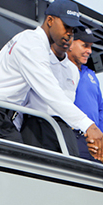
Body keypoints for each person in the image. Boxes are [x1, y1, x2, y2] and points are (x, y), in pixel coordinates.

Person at [0, 0, 103, 153]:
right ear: (50, 20)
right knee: (21, 166)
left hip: (1, 114)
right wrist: (88, 125)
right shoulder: (33, 46)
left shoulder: (31, 40)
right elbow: (50, 91)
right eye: (66, 26)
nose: (69, 33)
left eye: (73, 30)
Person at [18, 27, 84, 156]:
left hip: (63, 126)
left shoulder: (73, 70)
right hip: (36, 123)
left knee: (71, 169)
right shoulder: (40, 58)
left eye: (71, 36)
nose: (67, 40)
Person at [67, 27, 103, 161]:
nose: (89, 51)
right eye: (85, 46)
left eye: (91, 47)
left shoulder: (91, 74)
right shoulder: (61, 69)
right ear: (70, 44)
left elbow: (100, 108)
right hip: (72, 136)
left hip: (95, 142)